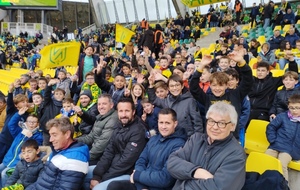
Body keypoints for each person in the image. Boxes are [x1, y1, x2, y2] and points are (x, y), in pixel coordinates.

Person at [167, 102, 246, 190]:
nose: (215, 127)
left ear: (232, 126)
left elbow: (219, 188)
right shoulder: (196, 139)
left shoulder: (236, 154)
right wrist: (195, 171)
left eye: (221, 123)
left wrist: (184, 181)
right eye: (211, 121)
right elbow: (172, 162)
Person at [107, 108, 186, 190]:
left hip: (159, 187)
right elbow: (141, 161)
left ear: (175, 124)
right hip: (142, 184)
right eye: (161, 123)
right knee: (114, 186)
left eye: (167, 123)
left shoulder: (179, 145)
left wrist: (137, 175)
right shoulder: (153, 139)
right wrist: (142, 187)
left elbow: (165, 178)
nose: (163, 127)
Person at [189, 50, 253, 139]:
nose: (217, 88)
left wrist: (241, 61)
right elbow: (193, 87)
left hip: (231, 139)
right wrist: (201, 66)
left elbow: (248, 81)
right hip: (211, 138)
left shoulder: (235, 95)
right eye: (214, 85)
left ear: (227, 85)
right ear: (210, 85)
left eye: (221, 85)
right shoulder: (207, 98)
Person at [86, 98, 147, 190]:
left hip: (126, 173)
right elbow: (108, 152)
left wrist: (102, 179)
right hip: (112, 168)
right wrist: (97, 175)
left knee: (98, 188)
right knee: (82, 172)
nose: (123, 115)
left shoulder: (138, 130)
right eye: (121, 111)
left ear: (133, 112)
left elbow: (126, 162)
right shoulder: (118, 126)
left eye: (127, 111)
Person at [27, 117, 89, 190]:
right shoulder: (58, 151)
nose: (50, 139)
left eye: (54, 135)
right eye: (50, 135)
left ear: (67, 134)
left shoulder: (73, 160)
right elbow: (41, 182)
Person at [148, 73, 203, 138]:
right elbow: (154, 99)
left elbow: (197, 124)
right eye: (172, 86)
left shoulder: (190, 101)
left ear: (182, 86)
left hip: (187, 139)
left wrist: (196, 141)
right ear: (168, 88)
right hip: (172, 137)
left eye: (177, 85)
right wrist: (151, 85)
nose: (174, 88)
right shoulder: (167, 100)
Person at [248, 53, 298, 122]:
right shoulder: (252, 81)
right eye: (258, 70)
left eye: (263, 71)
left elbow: (293, 74)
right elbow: (240, 75)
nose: (260, 73)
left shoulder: (273, 81)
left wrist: (291, 60)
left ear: (268, 72)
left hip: (263, 112)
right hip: (248, 109)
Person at [0, 113, 43, 188]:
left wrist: (30, 137)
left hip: (17, 163)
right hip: (8, 159)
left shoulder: (38, 136)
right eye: (29, 121)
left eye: (34, 122)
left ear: (37, 124)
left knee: (4, 174)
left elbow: (32, 147)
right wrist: (18, 114)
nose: (31, 124)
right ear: (26, 122)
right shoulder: (20, 131)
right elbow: (11, 125)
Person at [266, 94, 300, 182]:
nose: (295, 111)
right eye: (292, 108)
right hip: (276, 145)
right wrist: (272, 140)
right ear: (288, 107)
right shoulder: (282, 116)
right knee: (266, 159)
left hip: (291, 149)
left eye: (297, 108)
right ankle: (263, 183)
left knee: (282, 163)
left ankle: (283, 186)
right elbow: (271, 127)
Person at [76, 94, 118, 164]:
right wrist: (73, 141)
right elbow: (90, 137)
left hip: (103, 157)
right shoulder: (100, 117)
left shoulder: (113, 119)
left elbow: (102, 144)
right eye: (99, 104)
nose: (101, 107)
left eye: (104, 104)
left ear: (111, 105)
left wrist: (86, 157)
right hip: (94, 151)